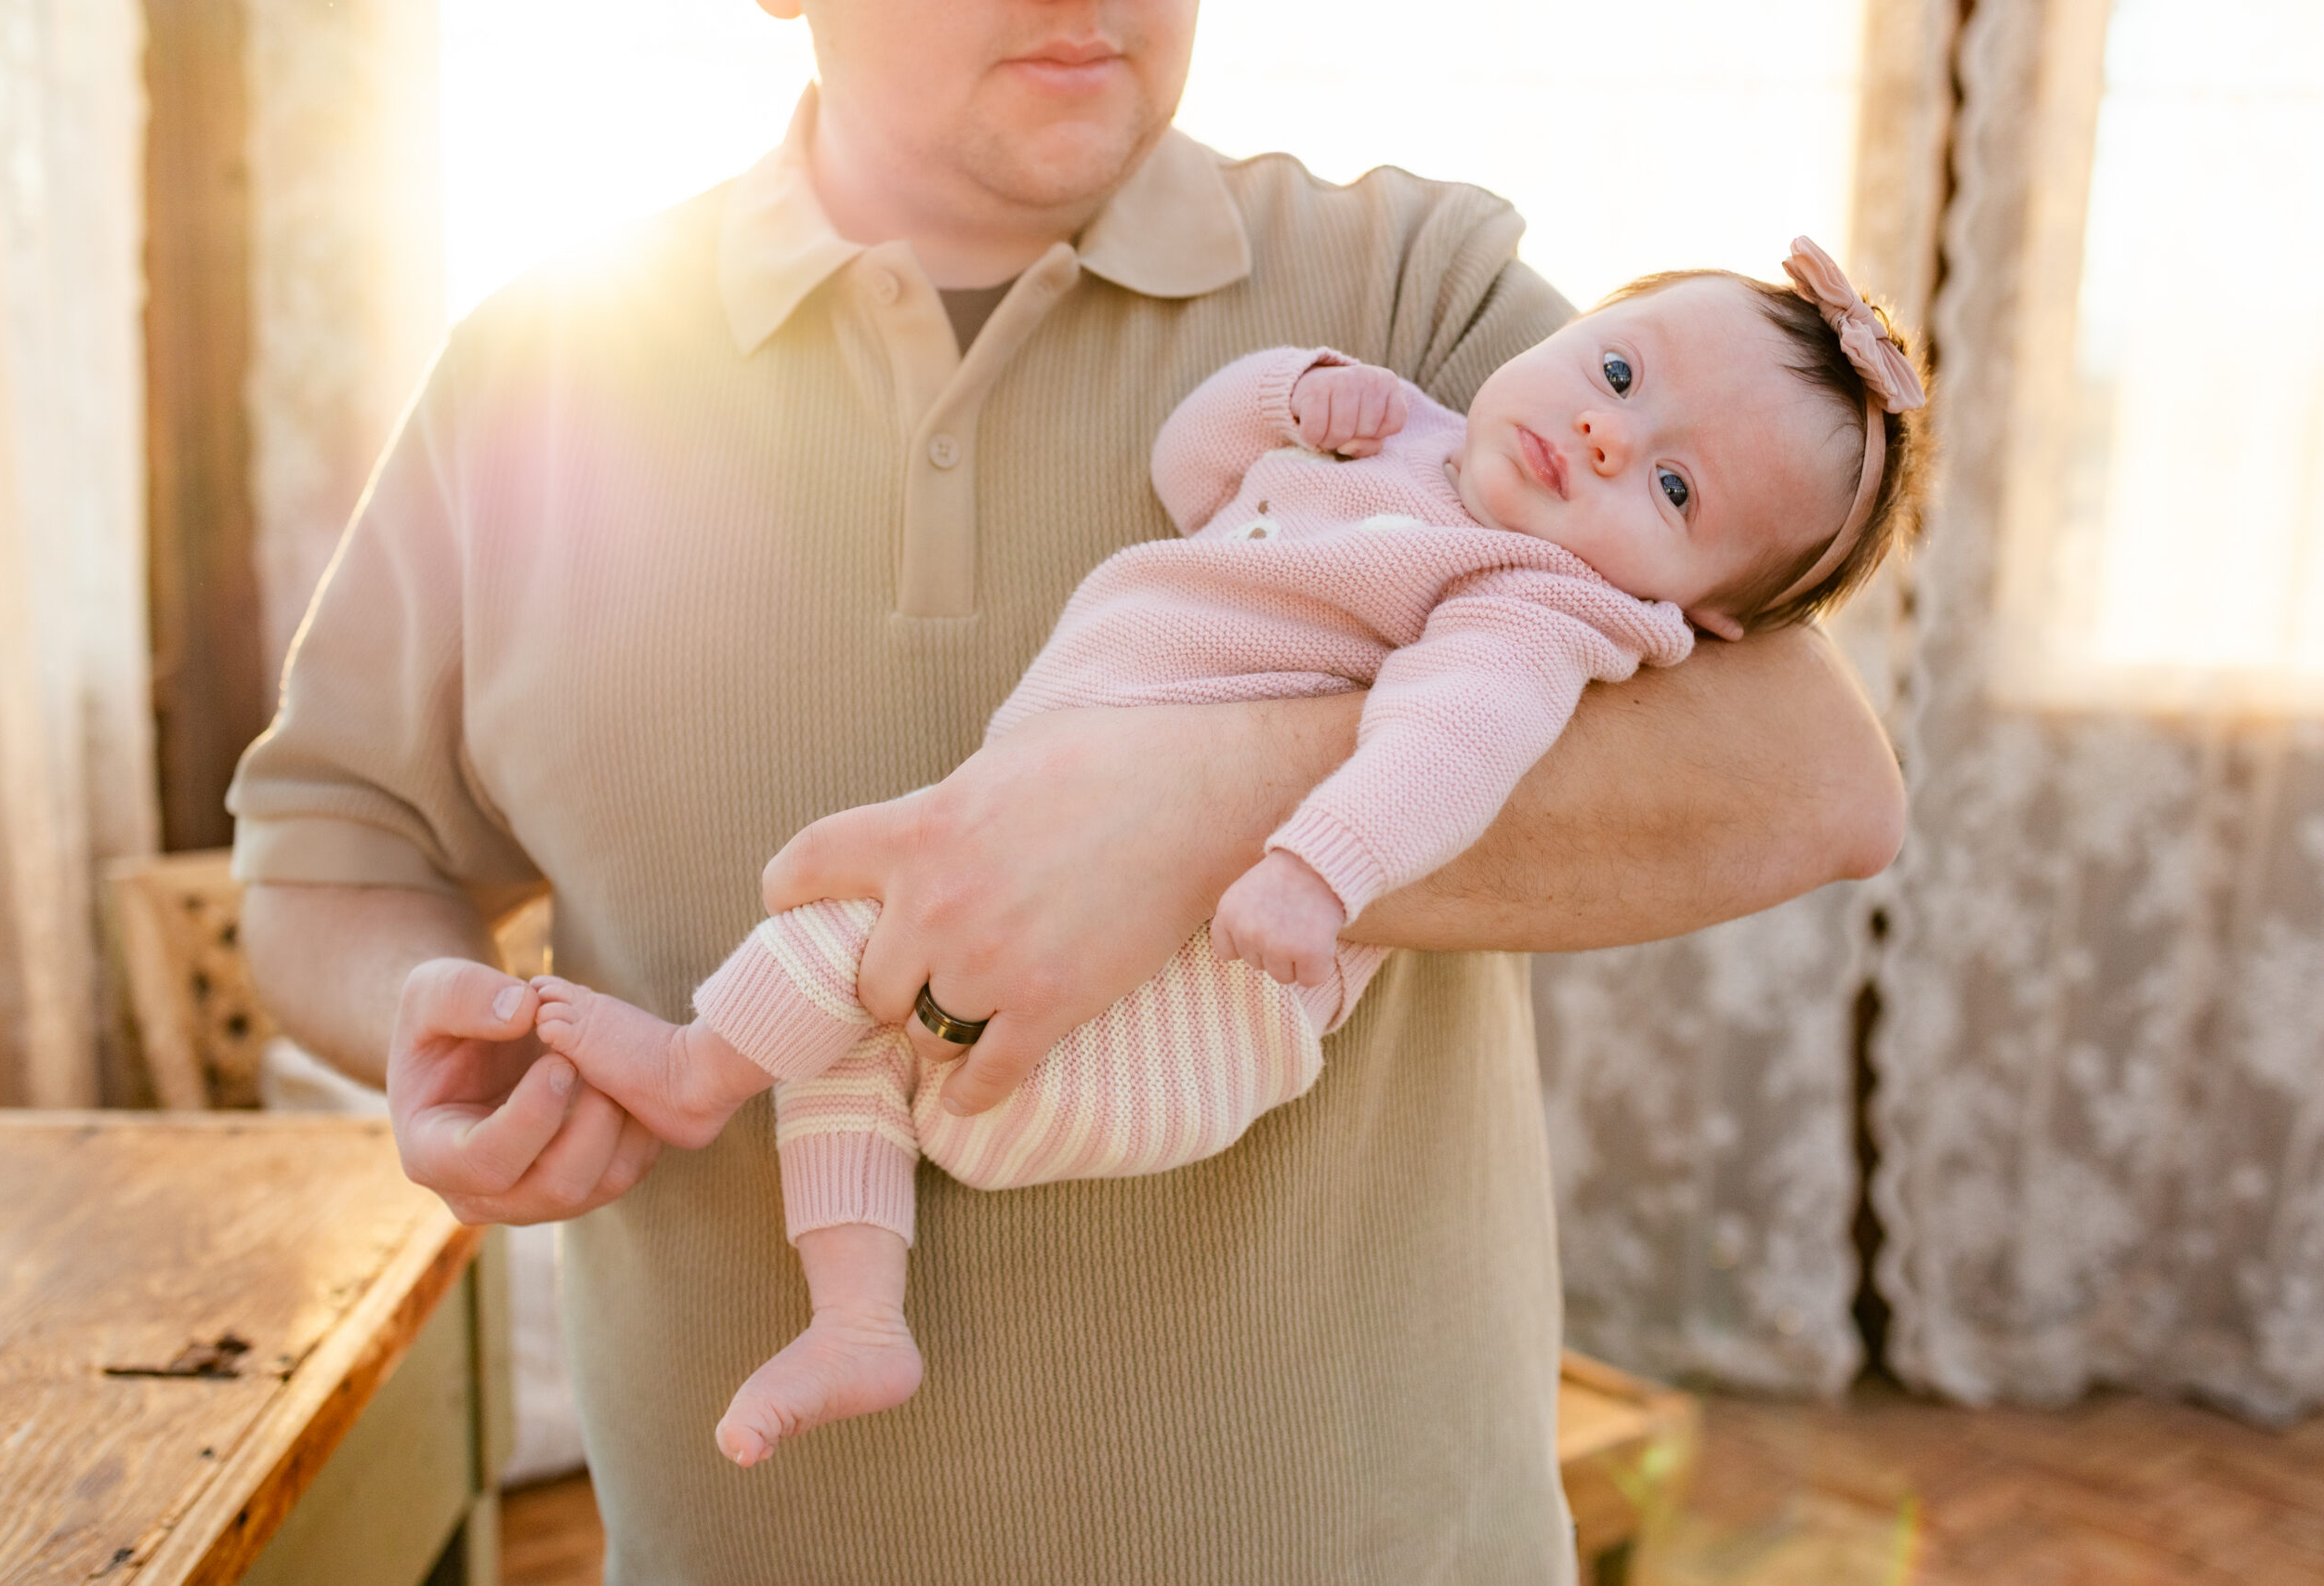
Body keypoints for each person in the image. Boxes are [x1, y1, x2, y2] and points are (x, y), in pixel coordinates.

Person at [232, 3, 1907, 1579]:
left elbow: (1815, 784)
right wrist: (421, 1018)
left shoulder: (1415, 291)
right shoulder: (532, 372)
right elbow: (333, 848)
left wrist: (1191, 808)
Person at [523, 243, 1931, 1468]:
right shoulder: (1402, 448)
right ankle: (858, 1323)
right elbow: (1192, 470)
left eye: (1678, 490)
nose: (1611, 437)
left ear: (1711, 620)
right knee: (856, 1043)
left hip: (1200, 1007)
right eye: (1620, 373)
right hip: (1065, 960)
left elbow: (1446, 752)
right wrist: (1287, 392)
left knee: (849, 931)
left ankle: (693, 1072)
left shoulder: (1538, 603)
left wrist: (1310, 872)